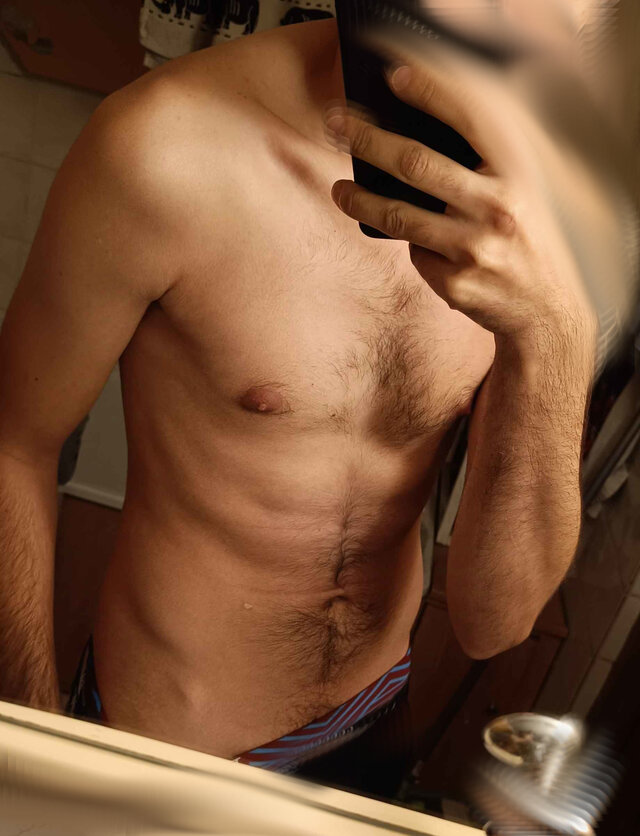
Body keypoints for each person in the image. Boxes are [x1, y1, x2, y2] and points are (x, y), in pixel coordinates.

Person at [0, 11, 598, 795]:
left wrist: (554, 332)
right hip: (170, 738)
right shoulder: (163, 146)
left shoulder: (556, 207)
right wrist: (33, 736)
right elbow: (15, 445)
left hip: (373, 716)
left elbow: (497, 624)